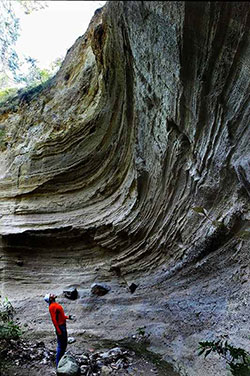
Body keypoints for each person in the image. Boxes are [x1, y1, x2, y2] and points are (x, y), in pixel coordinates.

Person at [44, 293, 73, 367]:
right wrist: (58, 330)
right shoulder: (52, 307)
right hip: (60, 327)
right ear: (50, 299)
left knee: (64, 344)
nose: (53, 294)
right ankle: (58, 364)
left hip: (62, 326)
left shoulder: (55, 305)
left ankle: (61, 361)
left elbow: (61, 316)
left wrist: (67, 317)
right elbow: (54, 320)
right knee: (61, 345)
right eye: (51, 295)